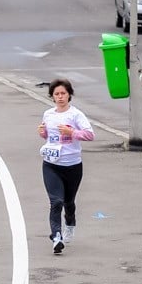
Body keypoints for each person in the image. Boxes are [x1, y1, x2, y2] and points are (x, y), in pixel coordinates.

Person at [37, 78, 94, 254]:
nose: (60, 97)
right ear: (52, 97)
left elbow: (90, 135)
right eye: (56, 94)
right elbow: (48, 136)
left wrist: (72, 133)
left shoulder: (76, 115)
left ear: (69, 95)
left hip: (72, 165)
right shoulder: (48, 114)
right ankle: (56, 237)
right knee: (56, 202)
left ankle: (70, 223)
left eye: (63, 93)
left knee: (69, 202)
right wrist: (43, 132)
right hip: (51, 164)